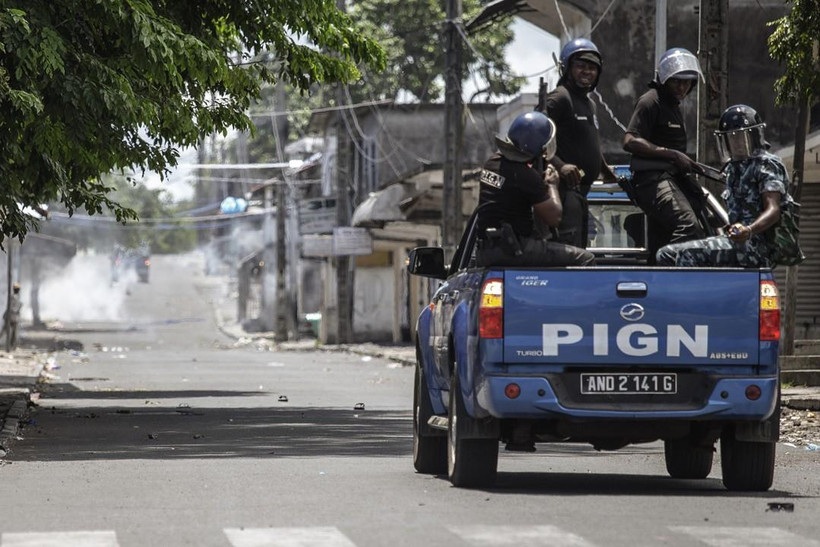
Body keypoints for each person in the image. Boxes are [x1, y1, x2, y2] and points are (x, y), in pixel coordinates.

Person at [656, 105, 789, 267]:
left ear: (754, 136)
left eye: (742, 137)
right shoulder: (733, 169)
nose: (737, 143)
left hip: (756, 247)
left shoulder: (766, 165)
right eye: (732, 138)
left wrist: (749, 230)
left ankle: (691, 293)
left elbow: (773, 210)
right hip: (735, 243)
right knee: (666, 254)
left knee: (686, 255)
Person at [475, 111, 595, 268]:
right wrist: (552, 185)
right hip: (515, 250)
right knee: (586, 258)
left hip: (487, 251)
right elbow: (554, 217)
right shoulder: (525, 175)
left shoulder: (492, 163)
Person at [622, 48, 708, 259]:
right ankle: (666, 270)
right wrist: (672, 155)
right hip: (652, 180)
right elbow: (629, 140)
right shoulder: (651, 101)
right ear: (664, 79)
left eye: (687, 82)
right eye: (676, 81)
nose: (682, 87)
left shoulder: (673, 106)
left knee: (704, 219)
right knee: (688, 225)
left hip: (671, 179)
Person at [539, 38, 617, 248]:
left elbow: (587, 141)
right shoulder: (560, 98)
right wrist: (560, 165)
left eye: (592, 68)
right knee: (569, 251)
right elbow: (533, 139)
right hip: (563, 193)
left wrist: (604, 169)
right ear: (567, 68)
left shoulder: (589, 104)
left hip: (581, 192)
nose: (587, 72)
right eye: (580, 66)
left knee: (580, 249)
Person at [1, 282, 23, 349]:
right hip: (10, 316)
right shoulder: (12, 297)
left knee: (13, 333)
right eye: (16, 289)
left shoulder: (17, 297)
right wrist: (17, 308)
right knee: (4, 331)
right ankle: (10, 346)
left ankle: (12, 346)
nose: (17, 290)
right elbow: (11, 307)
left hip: (14, 317)